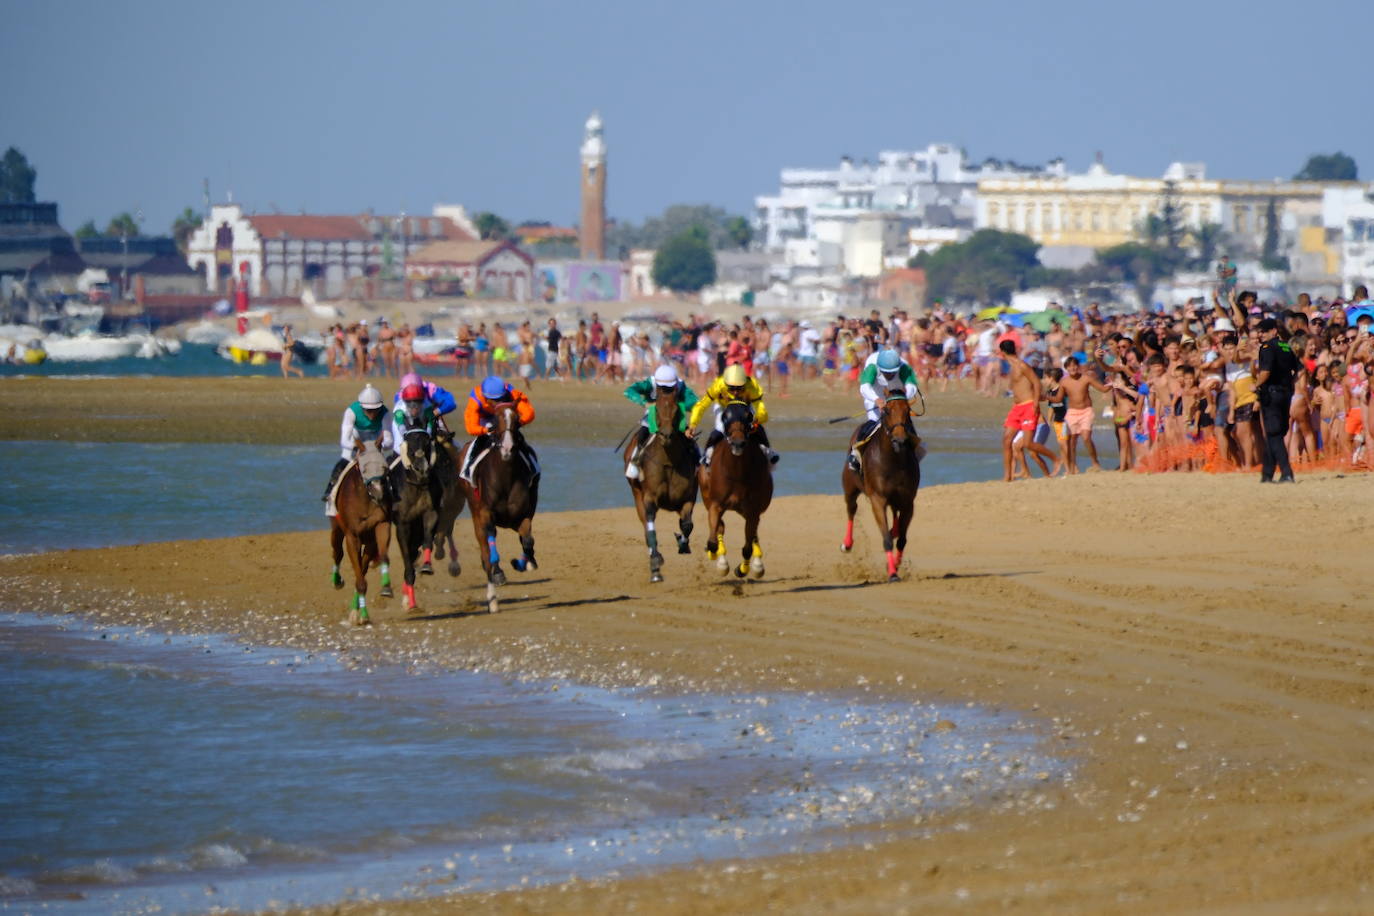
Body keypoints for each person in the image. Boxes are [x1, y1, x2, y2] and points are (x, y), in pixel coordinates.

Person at [687, 363, 778, 466]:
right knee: (720, 428)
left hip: (744, 407)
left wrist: (756, 422)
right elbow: (701, 406)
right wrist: (693, 425)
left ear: (745, 383)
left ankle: (768, 451)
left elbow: (761, 410)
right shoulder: (719, 384)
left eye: (739, 388)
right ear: (726, 384)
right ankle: (707, 455)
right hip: (723, 407)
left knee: (757, 428)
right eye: (731, 388)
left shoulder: (752, 386)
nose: (735, 392)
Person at [848, 348, 922, 473]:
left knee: (905, 425)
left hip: (898, 400)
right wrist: (877, 400)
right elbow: (865, 387)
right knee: (873, 422)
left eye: (892, 372)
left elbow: (912, 386)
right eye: (886, 372)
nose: (889, 375)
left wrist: (904, 398)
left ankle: (916, 453)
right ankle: (856, 455)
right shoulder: (872, 365)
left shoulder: (904, 366)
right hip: (875, 399)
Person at [622, 364, 700, 480]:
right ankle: (635, 462)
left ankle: (699, 465)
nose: (666, 391)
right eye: (663, 388)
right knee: (641, 437)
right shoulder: (650, 383)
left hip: (675, 421)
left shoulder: (681, 385)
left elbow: (695, 402)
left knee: (691, 442)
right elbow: (629, 391)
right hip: (651, 421)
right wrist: (645, 403)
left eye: (669, 388)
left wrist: (678, 406)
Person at [999, 340, 1062, 481]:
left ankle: (1055, 459)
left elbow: (1036, 382)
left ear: (1002, 352)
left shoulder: (1022, 365)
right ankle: (1007, 476)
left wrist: (1034, 404)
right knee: (1006, 440)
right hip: (1017, 408)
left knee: (1028, 444)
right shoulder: (1011, 367)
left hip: (1028, 406)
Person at [460, 374, 536, 481]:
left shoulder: (511, 392)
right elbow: (471, 427)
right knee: (477, 443)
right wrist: (486, 430)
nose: (498, 402)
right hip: (485, 419)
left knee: (519, 439)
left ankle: (533, 466)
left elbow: (529, 413)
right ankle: (467, 468)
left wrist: (519, 423)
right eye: (494, 400)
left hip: (505, 417)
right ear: (485, 397)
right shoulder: (476, 398)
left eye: (501, 399)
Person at [323, 385, 392, 502]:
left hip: (375, 442)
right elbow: (344, 440)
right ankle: (330, 490)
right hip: (355, 440)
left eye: (375, 410)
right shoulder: (351, 411)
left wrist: (378, 446)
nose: (372, 414)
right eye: (369, 411)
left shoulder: (385, 413)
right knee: (343, 463)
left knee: (388, 469)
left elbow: (389, 441)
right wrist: (356, 447)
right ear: (362, 407)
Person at [1254, 317, 1299, 482]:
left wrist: (1256, 385)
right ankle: (1267, 474)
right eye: (1259, 332)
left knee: (1274, 434)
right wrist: (1289, 385)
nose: (1261, 335)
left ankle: (1287, 472)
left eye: (1264, 331)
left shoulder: (1267, 348)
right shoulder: (1286, 346)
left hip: (1271, 394)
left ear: (1274, 331)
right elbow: (1298, 370)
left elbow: (1265, 372)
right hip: (1285, 394)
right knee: (1276, 433)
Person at [393, 371, 457, 437]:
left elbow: (451, 403)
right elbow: (400, 418)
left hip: (430, 417)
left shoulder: (431, 389)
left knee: (447, 443)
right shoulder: (399, 397)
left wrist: (436, 412)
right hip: (406, 422)